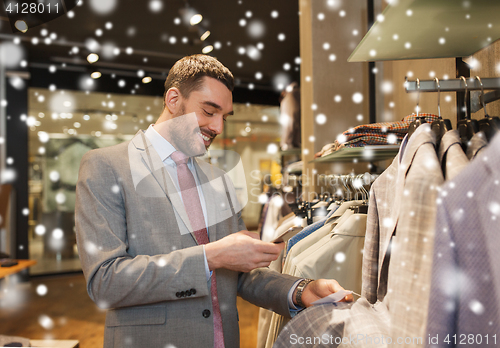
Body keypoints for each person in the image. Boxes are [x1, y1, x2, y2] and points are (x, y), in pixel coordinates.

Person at [75, 54, 352, 348]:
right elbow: (105, 282)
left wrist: (300, 290)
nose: (218, 127)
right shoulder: (106, 166)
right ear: (173, 100)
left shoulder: (219, 180)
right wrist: (210, 256)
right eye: (209, 111)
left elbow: (240, 275)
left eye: (224, 116)